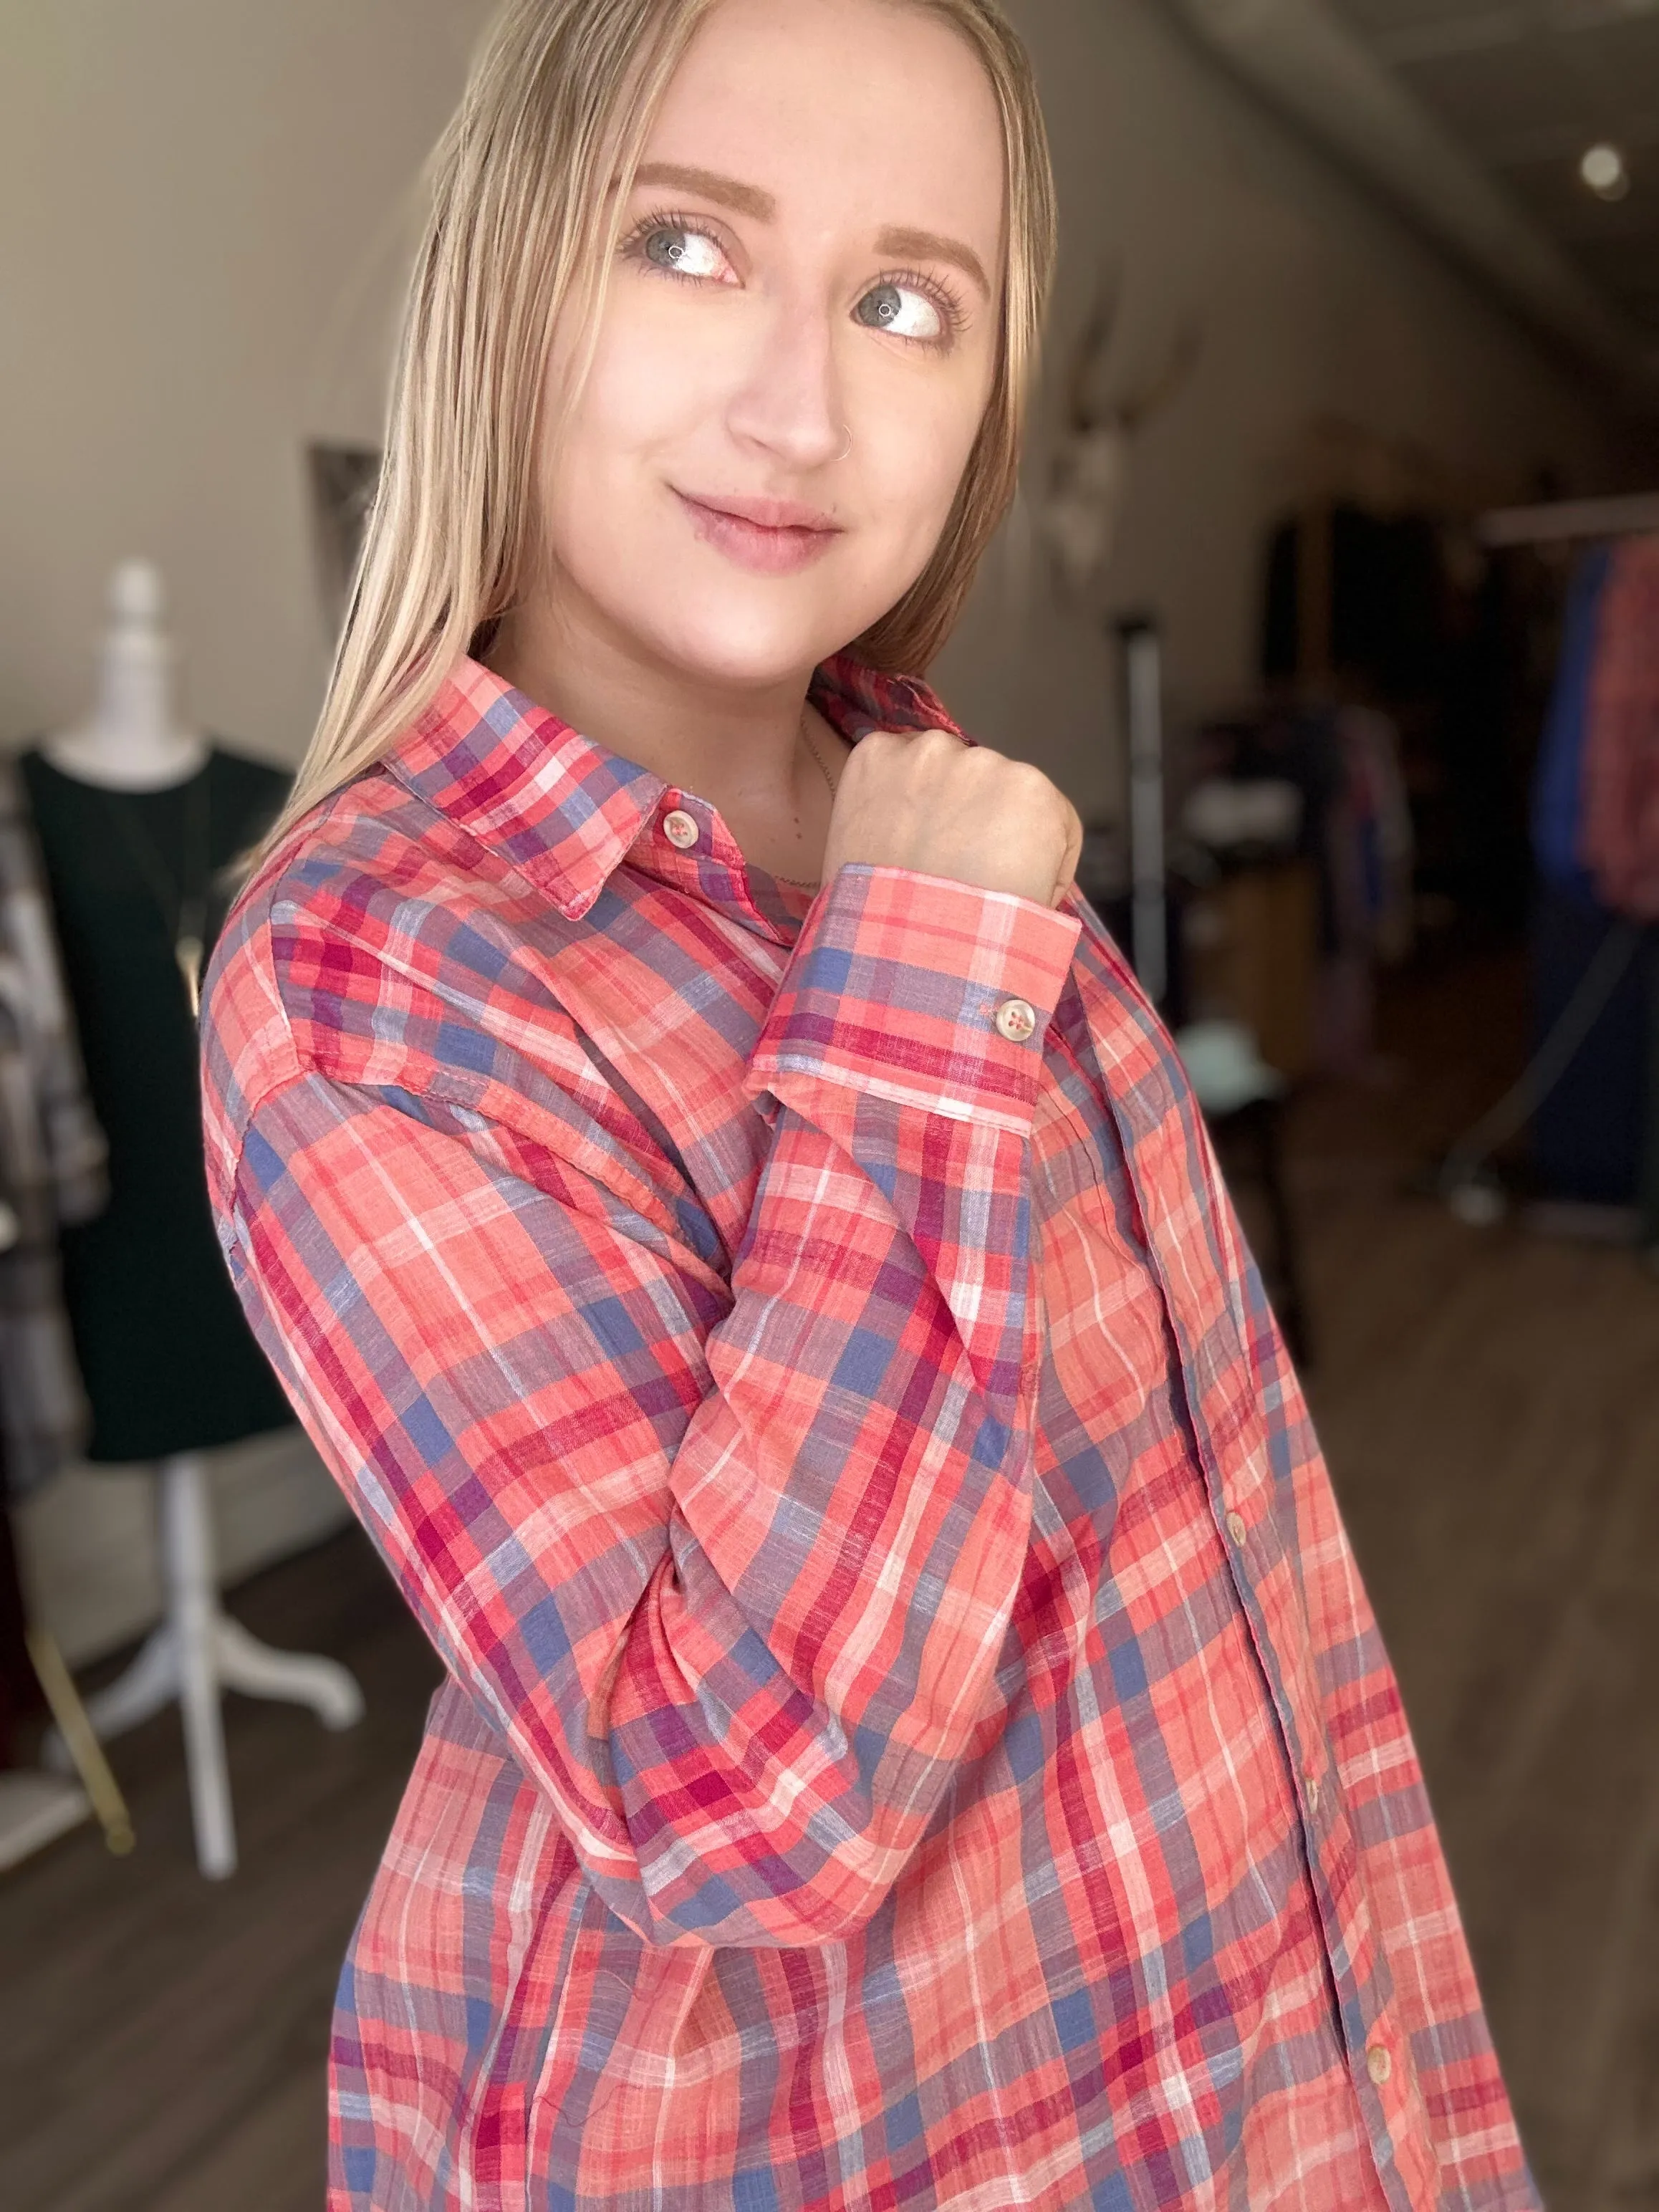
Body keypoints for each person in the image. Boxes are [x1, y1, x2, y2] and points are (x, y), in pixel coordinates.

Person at [201, 0, 1537, 2205]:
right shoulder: (382, 964)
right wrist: (913, 989)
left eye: (907, 300)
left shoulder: (913, 795)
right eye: (686, 246)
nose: (801, 404)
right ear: (508, 268)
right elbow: (726, 1799)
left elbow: (1212, 1567)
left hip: (1240, 2052)